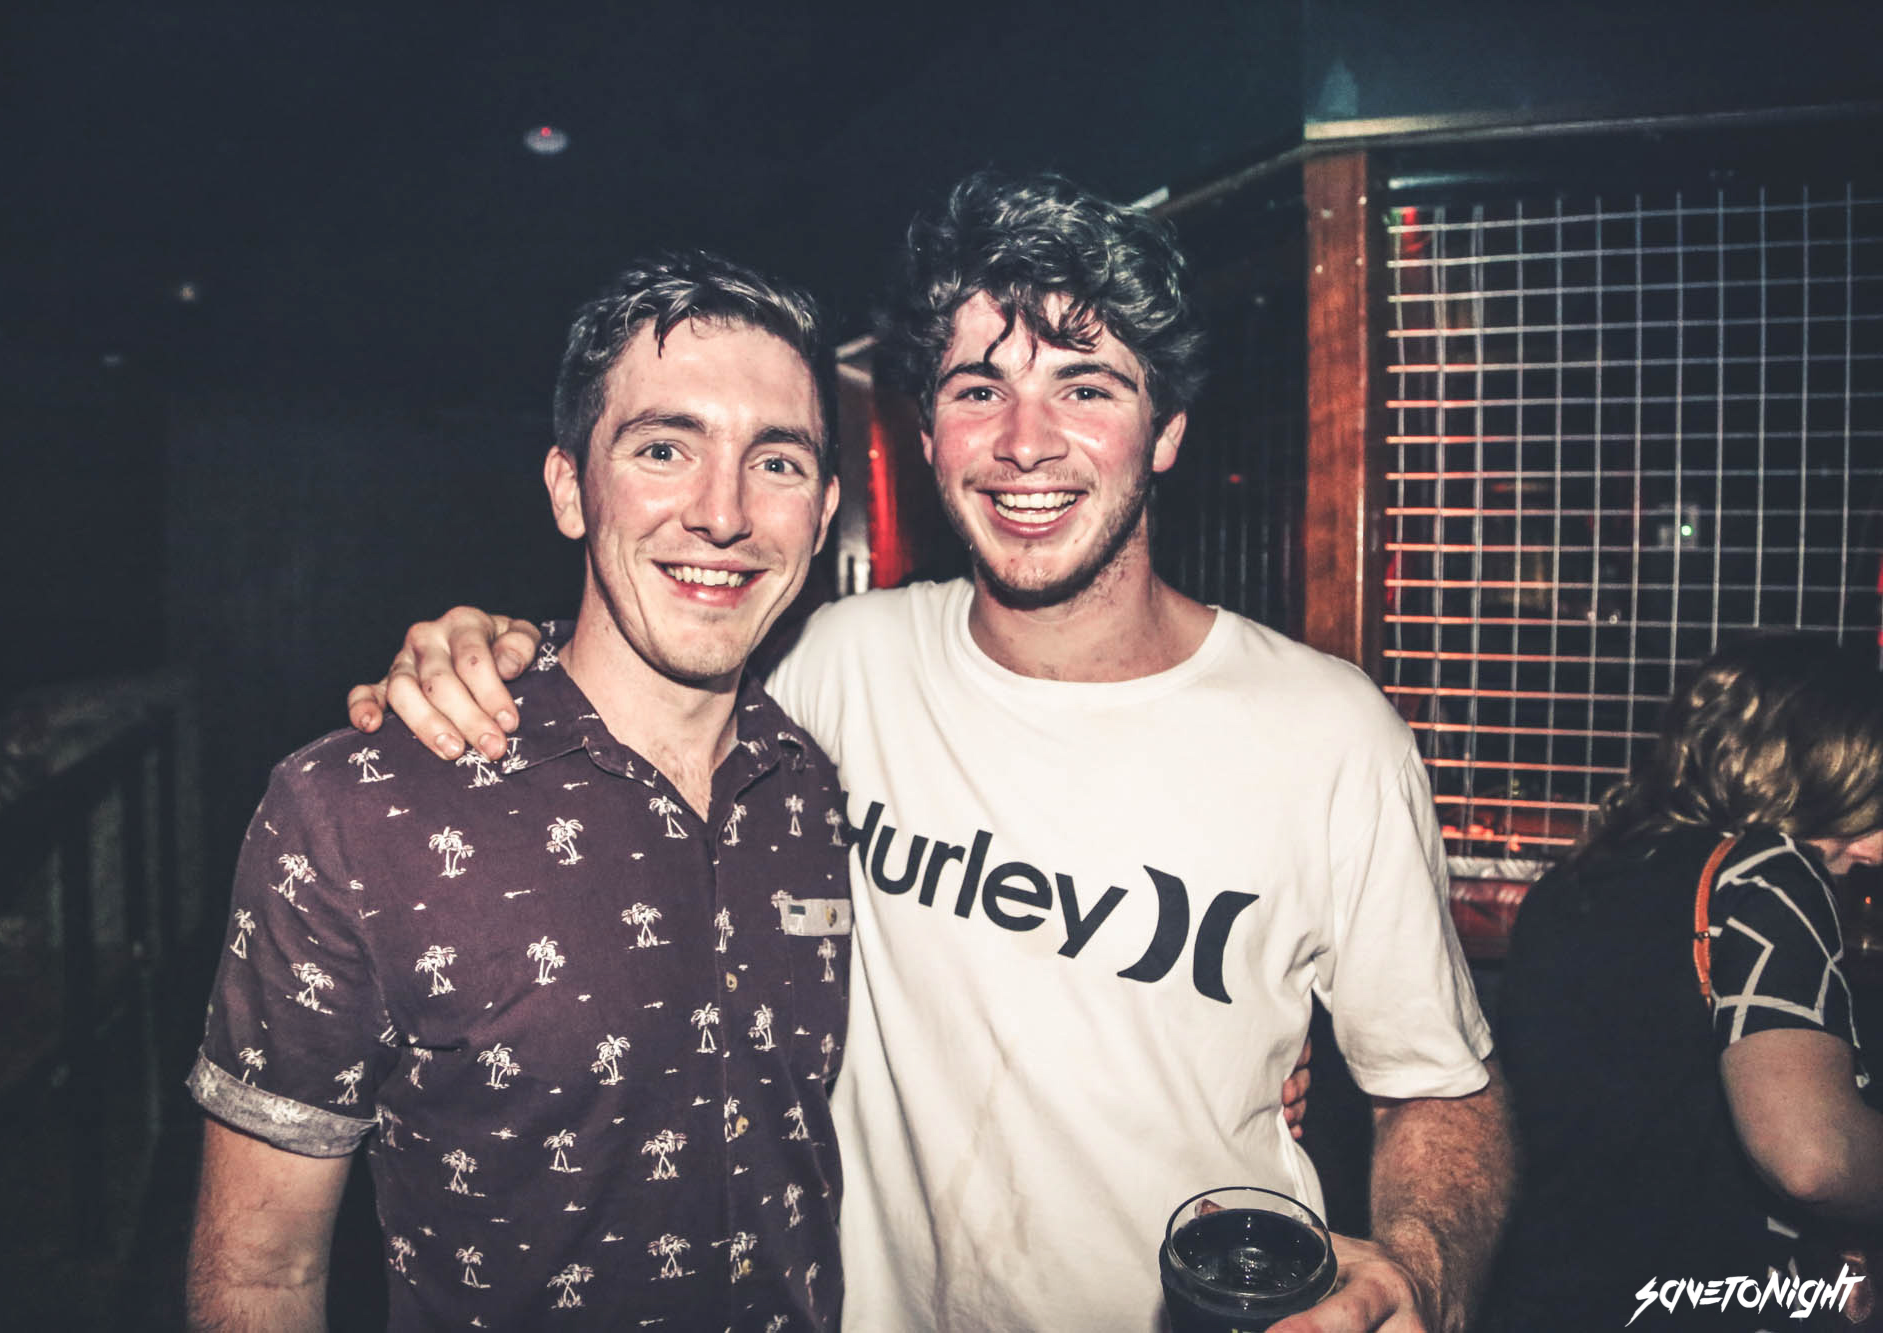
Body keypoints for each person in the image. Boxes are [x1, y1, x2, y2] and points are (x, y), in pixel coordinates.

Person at [349, 171, 1513, 1333]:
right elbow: (648, 674)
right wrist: (495, 649)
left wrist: (1417, 1264)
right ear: (926, 433)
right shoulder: (836, 664)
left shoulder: (1324, 732)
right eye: (977, 389)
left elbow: (1439, 1090)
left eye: (1084, 387)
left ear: (1164, 431)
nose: (1023, 443)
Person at [186, 253, 854, 1332]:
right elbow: (260, 1275)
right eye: (664, 448)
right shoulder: (355, 810)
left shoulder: (817, 788)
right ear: (568, 488)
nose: (723, 513)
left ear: (821, 515)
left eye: (775, 462)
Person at [1484, 636, 1883, 1332]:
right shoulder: (1771, 874)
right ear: (1827, 772)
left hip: (1557, 1297)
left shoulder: (1578, 880)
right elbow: (1812, 1158)